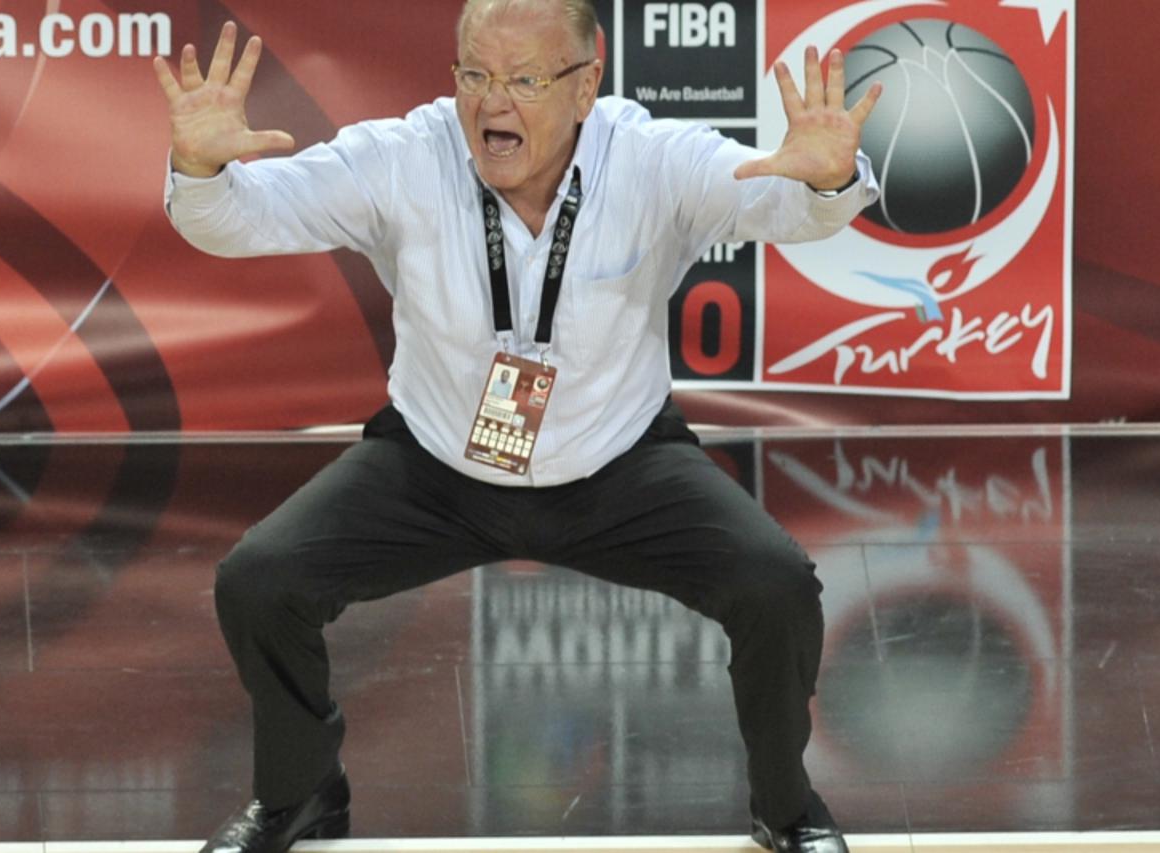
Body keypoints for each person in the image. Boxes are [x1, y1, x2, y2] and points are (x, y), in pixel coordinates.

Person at [154, 1, 882, 851]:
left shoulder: (651, 159)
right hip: (432, 467)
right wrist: (199, 170)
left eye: (526, 80)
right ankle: (301, 792)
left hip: (619, 465)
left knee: (777, 586)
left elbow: (780, 207)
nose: (492, 104)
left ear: (587, 83)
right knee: (260, 581)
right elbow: (243, 218)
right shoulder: (404, 157)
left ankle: (786, 807)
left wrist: (827, 182)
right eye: (475, 75)